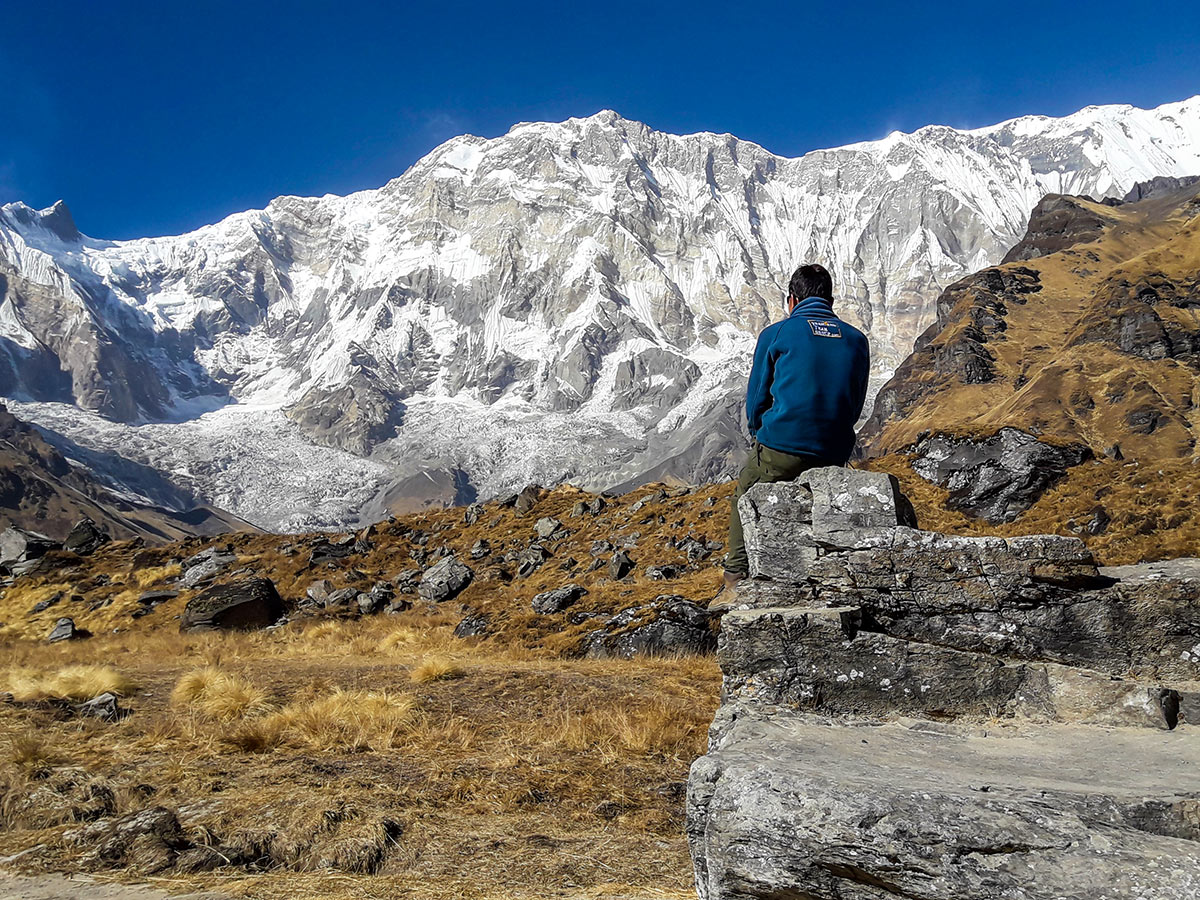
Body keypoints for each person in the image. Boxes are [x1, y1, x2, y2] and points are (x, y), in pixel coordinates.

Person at [714, 263, 870, 609]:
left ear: (791, 299)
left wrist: (761, 432)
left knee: (746, 491)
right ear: (830, 300)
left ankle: (735, 580)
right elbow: (855, 400)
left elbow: (756, 397)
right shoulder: (857, 340)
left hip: (782, 444)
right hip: (834, 447)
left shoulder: (777, 334)